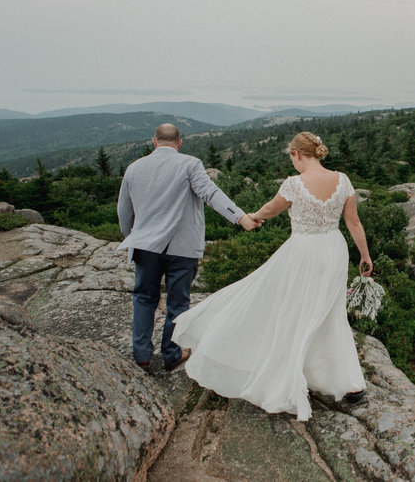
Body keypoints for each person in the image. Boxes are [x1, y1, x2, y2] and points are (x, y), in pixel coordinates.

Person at [172, 131, 374, 421]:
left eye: (292, 157)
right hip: (333, 250)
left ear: (298, 155)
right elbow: (353, 222)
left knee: (295, 310)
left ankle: (291, 376)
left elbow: (271, 209)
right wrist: (365, 255)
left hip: (304, 251)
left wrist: (253, 217)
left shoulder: (294, 184)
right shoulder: (342, 180)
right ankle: (349, 383)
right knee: (330, 313)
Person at [118, 123, 260, 372]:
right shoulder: (190, 164)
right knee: (178, 303)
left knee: (143, 297)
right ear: (179, 143)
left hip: (145, 247)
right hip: (181, 248)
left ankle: (141, 354)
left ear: (154, 142)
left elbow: (124, 210)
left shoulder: (134, 168)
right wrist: (240, 218)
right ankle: (172, 354)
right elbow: (211, 194)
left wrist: (132, 236)